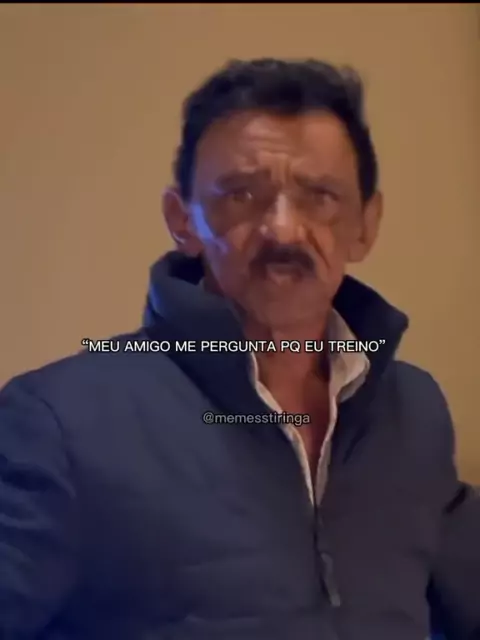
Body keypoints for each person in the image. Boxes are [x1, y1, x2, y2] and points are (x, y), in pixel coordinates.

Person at [0, 58, 479, 640]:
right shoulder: (58, 422)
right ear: (183, 221)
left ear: (365, 225)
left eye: (320, 196)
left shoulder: (413, 410)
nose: (283, 229)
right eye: (241, 195)